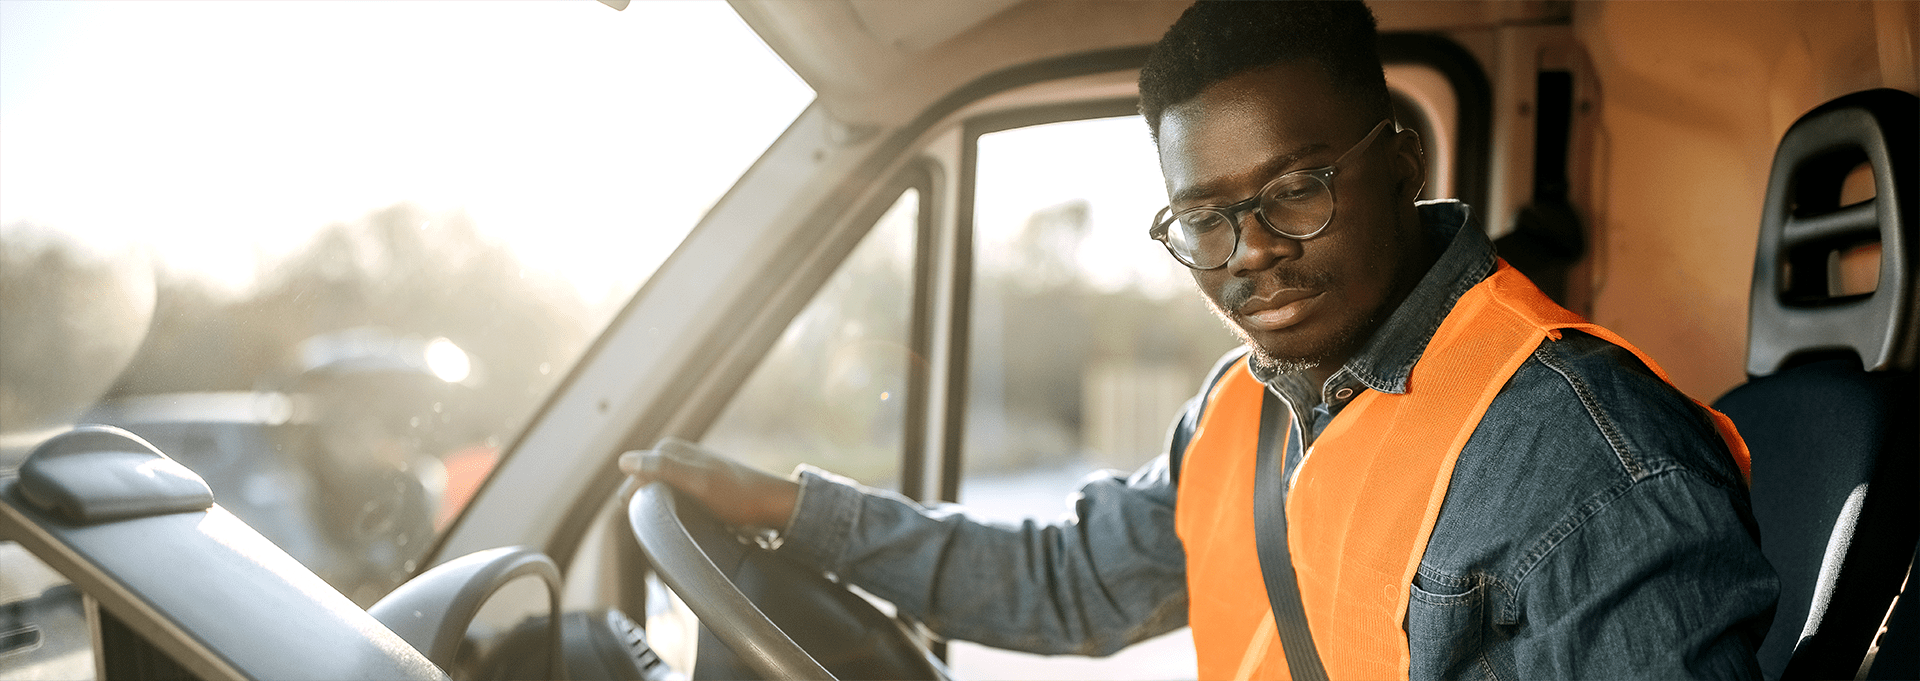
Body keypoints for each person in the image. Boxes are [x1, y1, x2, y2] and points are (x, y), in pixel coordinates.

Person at [623, 1, 1777, 678]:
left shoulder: (1595, 461)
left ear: (1406, 165)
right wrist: (789, 510)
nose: (1251, 252)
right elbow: (1068, 584)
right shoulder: (1241, 409)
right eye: (1204, 217)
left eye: (1295, 189)